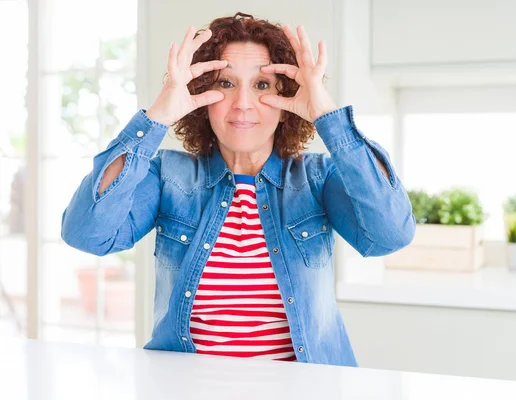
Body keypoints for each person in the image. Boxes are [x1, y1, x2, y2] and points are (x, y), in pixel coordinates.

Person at [62, 12, 415, 366]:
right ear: (200, 94)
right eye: (226, 84)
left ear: (287, 97)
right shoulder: (168, 175)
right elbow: (87, 234)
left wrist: (326, 113)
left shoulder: (317, 178)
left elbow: (389, 235)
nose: (243, 103)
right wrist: (156, 118)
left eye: (262, 85)